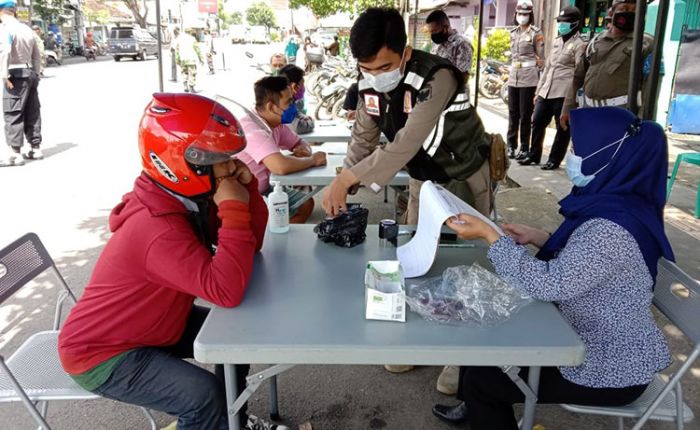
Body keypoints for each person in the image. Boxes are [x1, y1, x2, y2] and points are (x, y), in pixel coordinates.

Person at [432, 107, 674, 430]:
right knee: (482, 334)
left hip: (608, 365)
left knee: (483, 379)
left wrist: (490, 236)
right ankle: (476, 408)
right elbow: (589, 261)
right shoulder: (619, 201)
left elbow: (549, 284)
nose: (571, 156)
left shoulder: (613, 229)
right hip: (586, 332)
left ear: (608, 157)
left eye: (578, 149)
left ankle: (478, 404)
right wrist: (540, 236)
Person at [57, 93, 288, 430]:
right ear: (187, 163)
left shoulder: (184, 198)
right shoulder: (158, 228)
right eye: (222, 158)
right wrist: (234, 207)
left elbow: (248, 248)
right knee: (204, 397)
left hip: (155, 324)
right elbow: (226, 290)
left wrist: (247, 191)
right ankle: (214, 417)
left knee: (235, 344)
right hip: (103, 354)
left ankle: (229, 420)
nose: (233, 165)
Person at [322, 7, 493, 225]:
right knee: (415, 237)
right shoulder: (366, 82)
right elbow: (363, 137)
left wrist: (347, 178)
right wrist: (344, 180)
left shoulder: (437, 77)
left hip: (461, 173)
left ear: (406, 53)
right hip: (421, 173)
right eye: (366, 68)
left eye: (385, 67)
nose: (375, 76)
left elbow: (407, 141)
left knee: (462, 245)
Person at [236, 76, 327, 223]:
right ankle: (271, 234)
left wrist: (302, 149)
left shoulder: (276, 124)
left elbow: (299, 141)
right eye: (289, 102)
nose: (293, 106)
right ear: (272, 107)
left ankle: (277, 231)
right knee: (275, 218)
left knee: (306, 204)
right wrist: (312, 160)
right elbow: (280, 166)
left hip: (267, 188)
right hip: (246, 195)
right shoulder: (252, 128)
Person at [561, 0, 654, 129]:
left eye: (635, 11)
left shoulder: (646, 44)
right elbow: (578, 77)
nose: (630, 14)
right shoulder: (596, 41)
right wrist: (568, 107)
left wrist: (642, 123)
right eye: (625, 9)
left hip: (620, 120)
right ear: (612, 12)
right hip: (588, 115)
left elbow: (649, 88)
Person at [519, 6, 586, 169]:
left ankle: (554, 159)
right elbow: (548, 67)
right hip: (547, 89)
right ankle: (534, 155)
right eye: (560, 22)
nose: (561, 25)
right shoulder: (556, 41)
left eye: (564, 22)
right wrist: (539, 91)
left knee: (562, 127)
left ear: (575, 23)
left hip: (564, 91)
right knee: (538, 121)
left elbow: (579, 71)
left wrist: (574, 96)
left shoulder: (580, 44)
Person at [0, 0, 43, 167]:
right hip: (30, 72)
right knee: (32, 111)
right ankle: (35, 147)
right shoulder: (26, 29)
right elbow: (37, 55)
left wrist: (4, 75)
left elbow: (5, 52)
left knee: (13, 112)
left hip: (15, 74)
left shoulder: (6, 29)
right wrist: (37, 74)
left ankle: (15, 154)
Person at [506, 0, 545, 160]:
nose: (522, 17)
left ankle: (524, 147)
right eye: (520, 14)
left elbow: (541, 59)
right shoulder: (513, 33)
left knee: (525, 114)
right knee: (512, 113)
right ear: (516, 14)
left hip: (529, 78)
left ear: (530, 15)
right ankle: (510, 145)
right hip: (513, 77)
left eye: (525, 14)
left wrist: (541, 82)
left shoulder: (536, 33)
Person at [426, 9, 473, 81]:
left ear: (446, 27)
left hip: (455, 91)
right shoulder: (438, 45)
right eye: (431, 32)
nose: (432, 35)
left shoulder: (462, 44)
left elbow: (462, 77)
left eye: (434, 31)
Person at [278, 64, 315, 134]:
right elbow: (299, 127)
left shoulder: (289, 100)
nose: (303, 88)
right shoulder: (283, 103)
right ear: (294, 86)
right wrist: (311, 121)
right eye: (302, 84)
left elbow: (296, 113)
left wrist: (304, 117)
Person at [174, 28, 203, 93]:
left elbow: (177, 50)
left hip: (183, 59)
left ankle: (185, 86)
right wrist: (201, 59)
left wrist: (177, 59)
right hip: (191, 59)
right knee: (192, 73)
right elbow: (197, 49)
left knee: (184, 72)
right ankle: (191, 87)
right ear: (190, 32)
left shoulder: (179, 39)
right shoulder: (192, 39)